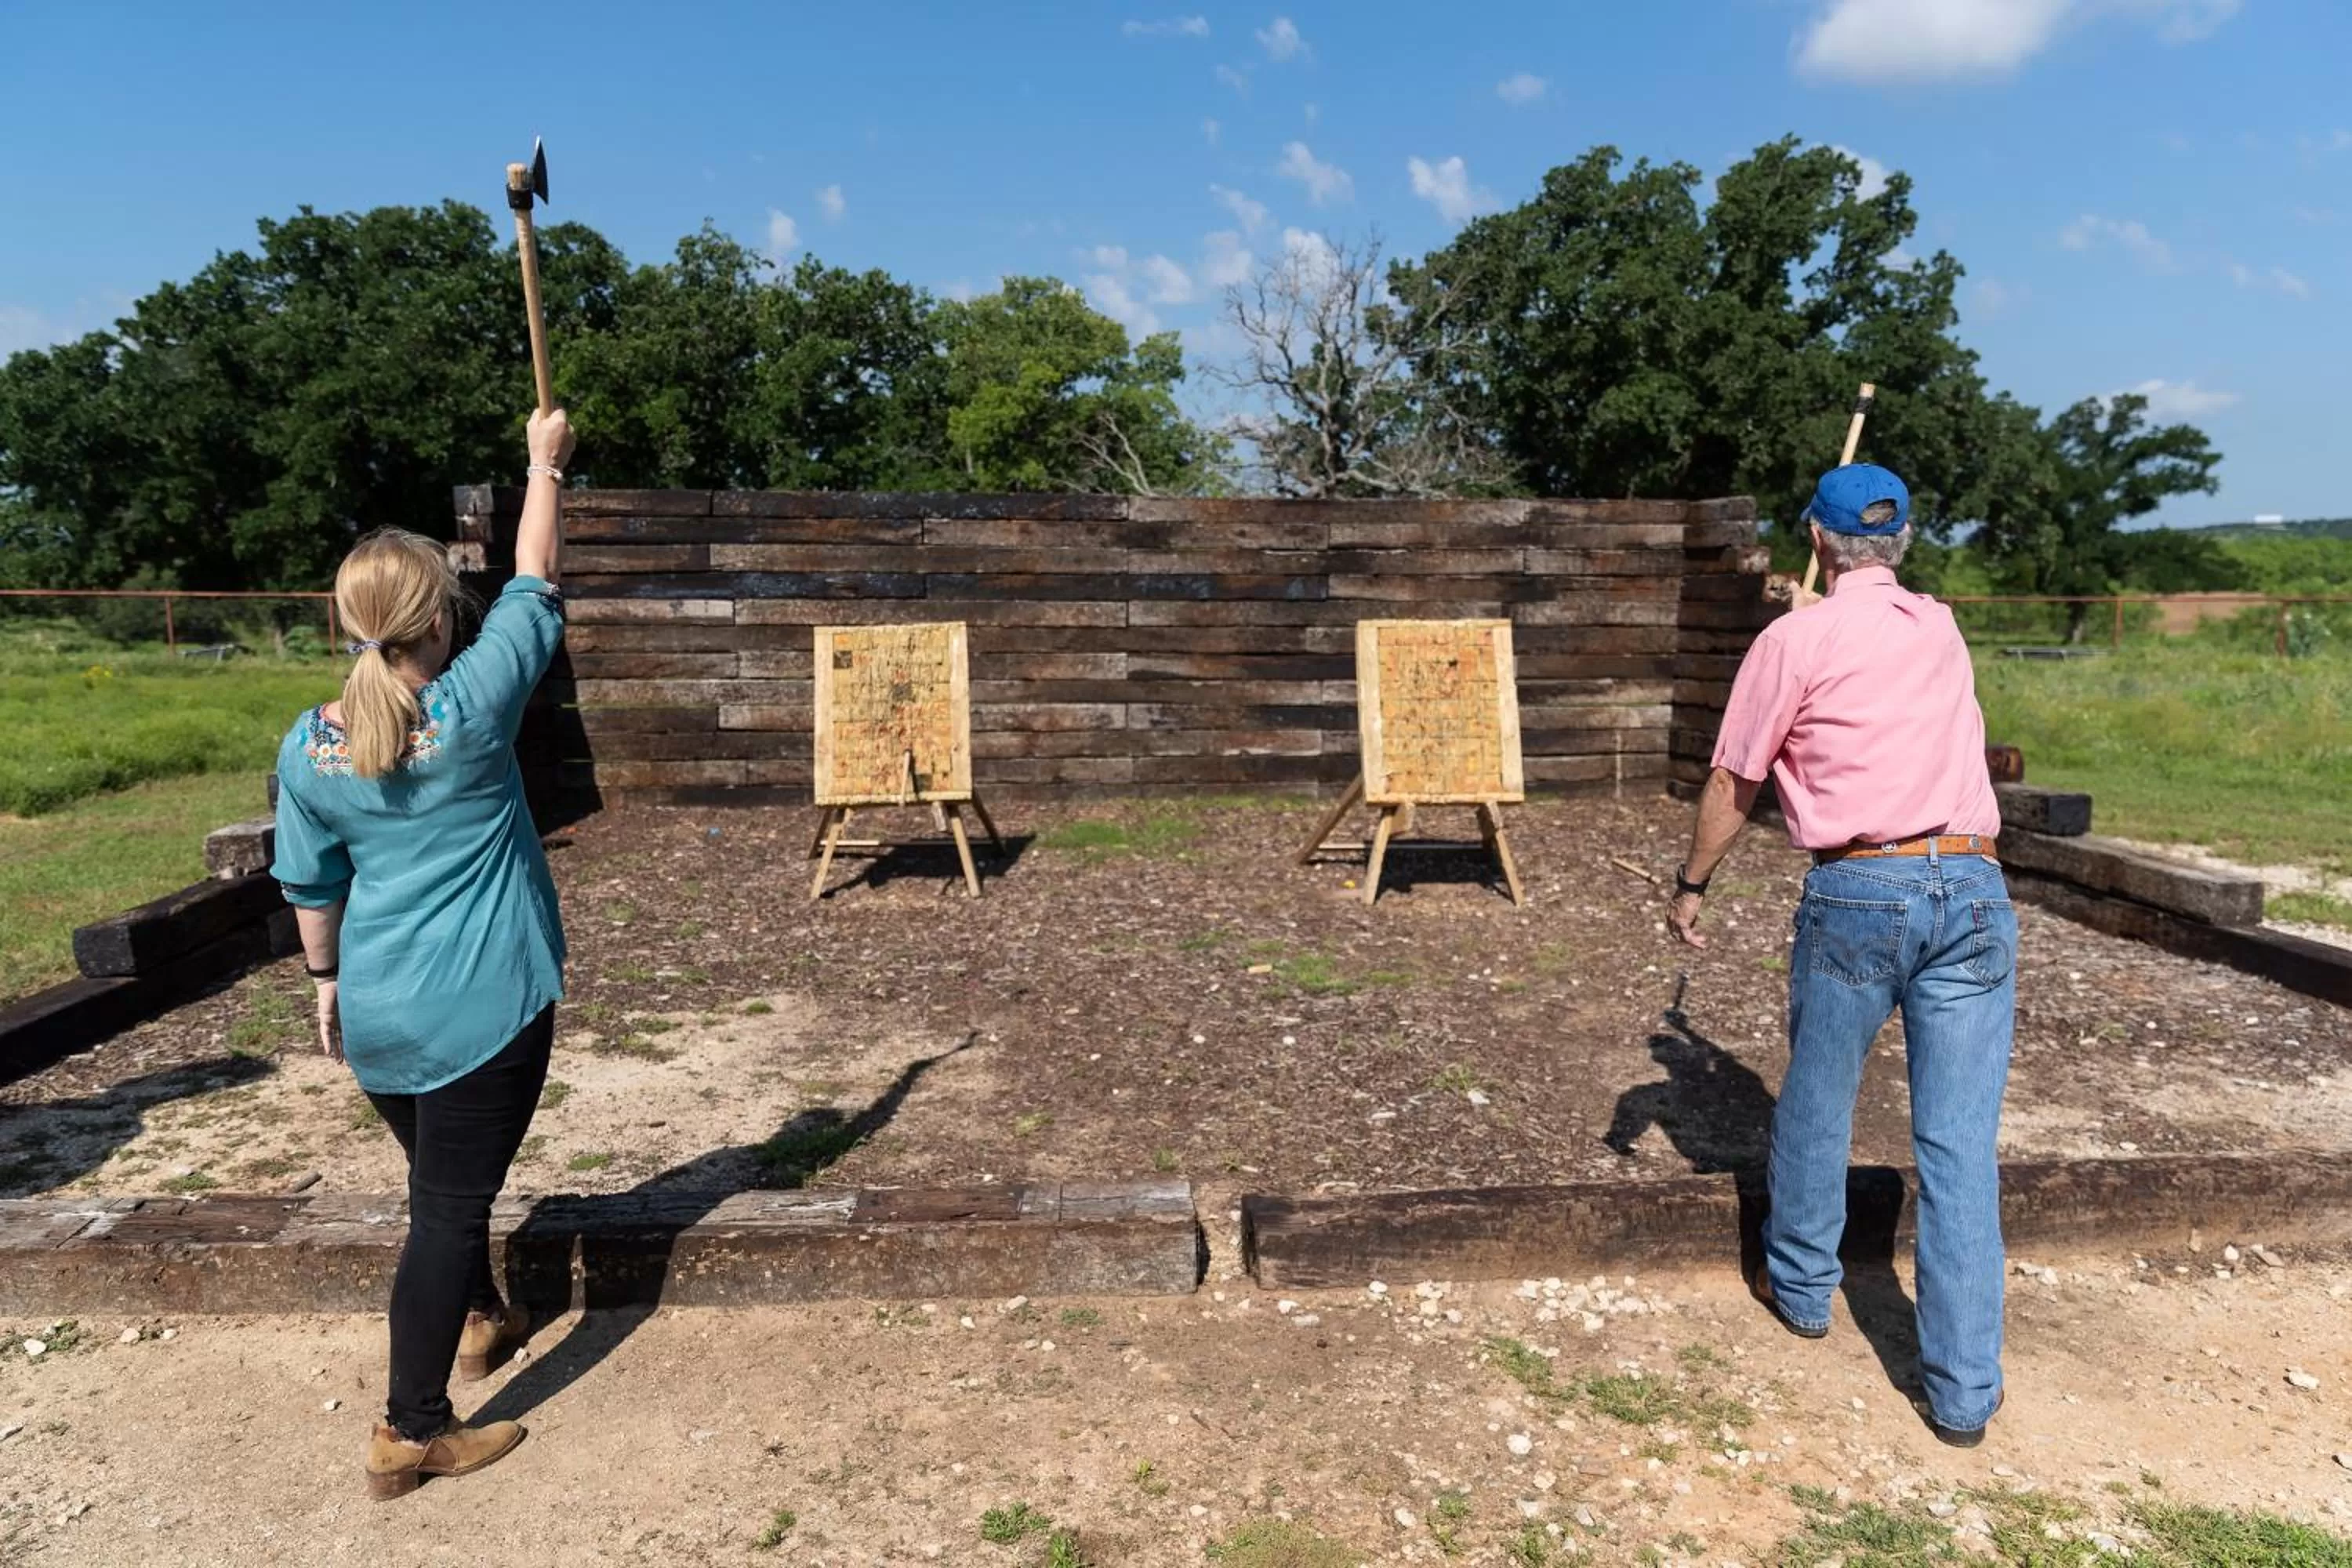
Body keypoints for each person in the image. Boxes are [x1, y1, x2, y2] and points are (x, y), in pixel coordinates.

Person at [1664, 462, 2014, 1448]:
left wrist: (1692, 883)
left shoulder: (1795, 637)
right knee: (1958, 1146)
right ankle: (1963, 1390)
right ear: (1899, 544)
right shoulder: (1941, 627)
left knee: (1818, 1100)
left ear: (1815, 541)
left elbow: (1736, 781)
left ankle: (1806, 1287)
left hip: (1862, 884)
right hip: (1975, 884)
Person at [271, 408, 577, 1499]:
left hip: (380, 1010)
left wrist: (325, 984)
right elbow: (536, 572)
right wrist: (543, 466)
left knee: (442, 1180)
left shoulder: (308, 743)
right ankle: (411, 1430)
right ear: (442, 620)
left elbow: (311, 882)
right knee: (443, 1208)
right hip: (483, 1005)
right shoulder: (477, 706)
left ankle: (486, 1316)